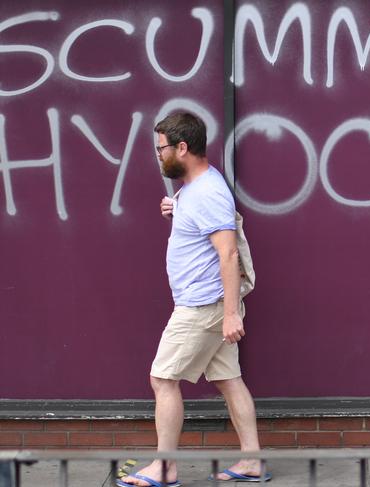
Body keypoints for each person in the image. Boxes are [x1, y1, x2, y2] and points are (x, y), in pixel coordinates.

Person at [118, 112, 270, 486]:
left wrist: (232, 314)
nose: (158, 155)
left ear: (182, 147)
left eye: (161, 148)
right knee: (229, 380)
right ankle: (252, 462)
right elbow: (203, 228)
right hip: (210, 304)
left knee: (162, 379)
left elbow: (229, 254)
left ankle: (165, 466)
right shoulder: (196, 187)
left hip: (202, 307)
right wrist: (177, 208)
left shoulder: (208, 193)